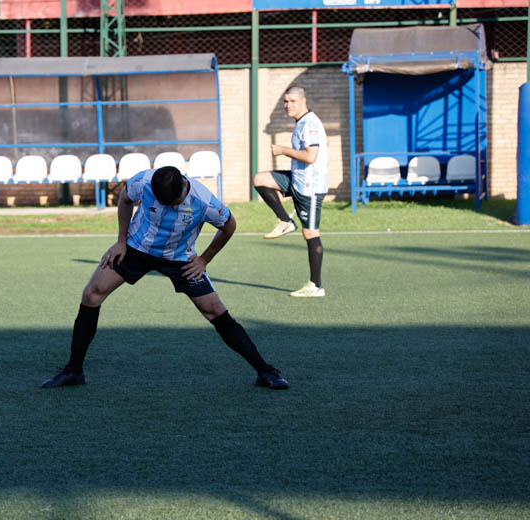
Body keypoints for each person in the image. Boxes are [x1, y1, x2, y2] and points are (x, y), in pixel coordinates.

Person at [41, 165, 289, 390]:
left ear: (184, 184)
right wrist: (120, 242)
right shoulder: (142, 181)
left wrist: (204, 260)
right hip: (137, 249)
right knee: (91, 294)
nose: (171, 207)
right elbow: (125, 200)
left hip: (179, 258)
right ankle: (74, 370)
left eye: (175, 202)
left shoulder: (204, 201)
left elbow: (229, 226)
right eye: (164, 203)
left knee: (214, 310)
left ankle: (265, 370)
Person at [253, 86, 328, 298]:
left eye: (292, 101)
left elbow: (311, 156)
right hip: (297, 179)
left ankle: (316, 286)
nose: (288, 105)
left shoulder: (311, 123)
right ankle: (285, 221)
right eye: (286, 102)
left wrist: (283, 150)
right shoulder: (301, 122)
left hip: (310, 187)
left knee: (310, 233)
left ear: (303, 100)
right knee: (260, 179)